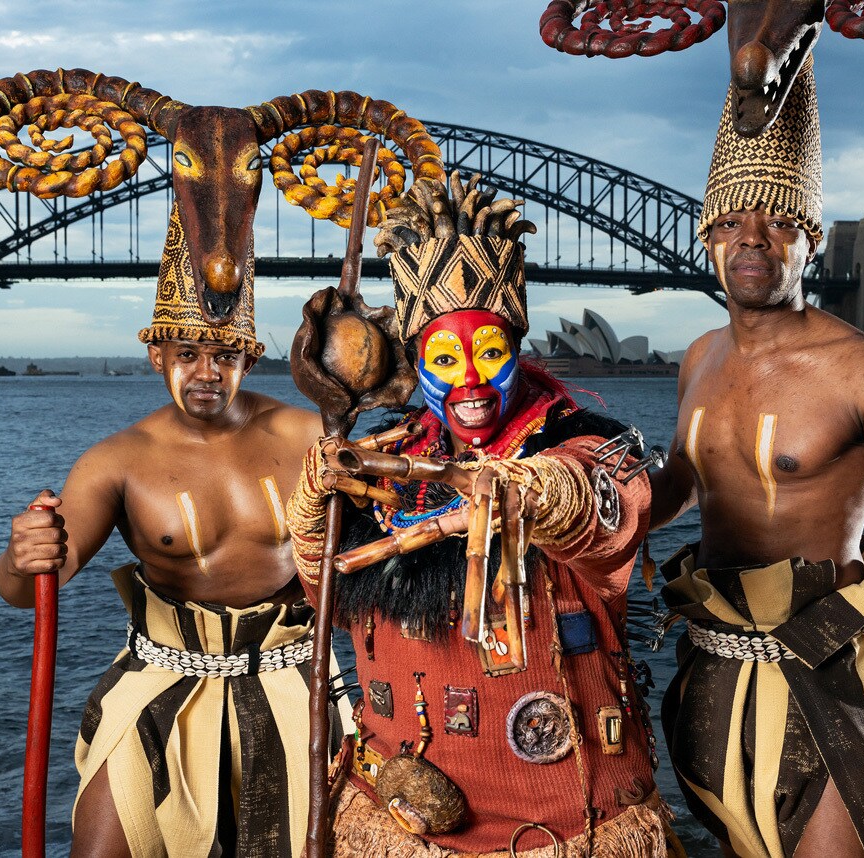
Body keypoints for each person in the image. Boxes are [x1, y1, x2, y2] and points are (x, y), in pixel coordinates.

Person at [285, 174, 677, 857]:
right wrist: (313, 514)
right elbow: (331, 601)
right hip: (400, 818)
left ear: (518, 349)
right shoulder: (382, 464)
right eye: (445, 357)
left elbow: (608, 506)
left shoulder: (582, 442)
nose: (469, 381)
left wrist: (537, 490)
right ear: (416, 360)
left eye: (489, 353)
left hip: (565, 830)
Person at [650, 56, 864, 858]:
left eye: (779, 223)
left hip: (821, 667)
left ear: (812, 242)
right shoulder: (697, 358)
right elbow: (678, 488)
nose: (752, 241)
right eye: (732, 222)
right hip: (711, 664)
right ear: (707, 233)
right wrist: (575, 498)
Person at [0, 259, 349, 857]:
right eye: (187, 355)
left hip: (299, 684)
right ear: (157, 355)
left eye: (225, 358)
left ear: (249, 358)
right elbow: (30, 589)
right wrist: (19, 556)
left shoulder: (312, 434)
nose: (207, 374)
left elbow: (397, 528)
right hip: (157, 686)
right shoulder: (117, 461)